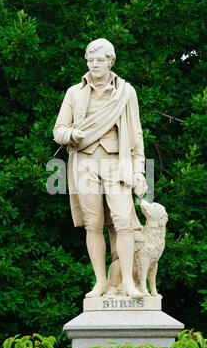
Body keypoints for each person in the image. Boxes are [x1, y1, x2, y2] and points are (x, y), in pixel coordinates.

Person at [53, 38, 147, 298]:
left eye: (99, 60)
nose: (94, 65)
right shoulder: (75, 93)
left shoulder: (126, 93)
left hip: (117, 162)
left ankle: (128, 282)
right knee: (92, 224)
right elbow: (58, 130)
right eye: (90, 60)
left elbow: (136, 136)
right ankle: (101, 282)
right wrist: (72, 134)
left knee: (123, 221)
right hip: (85, 163)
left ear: (110, 62)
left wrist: (139, 171)